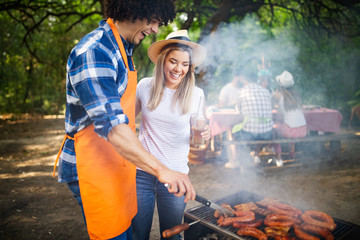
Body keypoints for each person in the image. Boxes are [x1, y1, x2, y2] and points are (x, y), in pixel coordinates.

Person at [52, 1, 196, 239]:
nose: (155, 29)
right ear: (133, 8)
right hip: (94, 166)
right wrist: (162, 170)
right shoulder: (95, 50)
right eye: (152, 20)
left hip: (118, 163)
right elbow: (114, 128)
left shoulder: (122, 49)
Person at [131, 30, 210, 240]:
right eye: (173, 61)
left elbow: (198, 136)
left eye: (185, 64)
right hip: (142, 173)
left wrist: (205, 134)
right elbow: (125, 122)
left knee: (173, 236)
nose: (178, 69)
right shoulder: (145, 86)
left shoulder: (196, 94)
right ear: (162, 60)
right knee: (138, 234)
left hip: (176, 176)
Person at [227, 71, 273, 169]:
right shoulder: (266, 91)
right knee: (257, 126)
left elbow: (239, 113)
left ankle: (235, 161)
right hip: (267, 132)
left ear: (244, 79)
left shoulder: (241, 92)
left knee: (231, 131)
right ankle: (256, 155)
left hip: (250, 132)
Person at [272, 70, 307, 167]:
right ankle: (291, 154)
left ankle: (279, 159)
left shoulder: (279, 96)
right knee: (289, 124)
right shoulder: (297, 96)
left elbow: (272, 106)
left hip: (291, 131)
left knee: (275, 131)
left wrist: (274, 96)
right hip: (303, 130)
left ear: (280, 85)